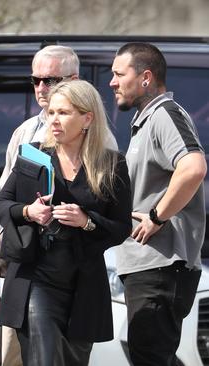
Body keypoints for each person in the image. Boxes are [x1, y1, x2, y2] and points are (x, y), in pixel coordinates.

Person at [0, 79, 132, 366]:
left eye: (63, 113)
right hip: (36, 276)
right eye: (52, 112)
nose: (54, 120)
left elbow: (121, 227)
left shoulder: (111, 164)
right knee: (45, 359)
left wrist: (86, 221)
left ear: (87, 118)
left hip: (84, 283)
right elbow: (1, 205)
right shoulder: (34, 156)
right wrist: (29, 212)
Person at [110, 42, 206, 365]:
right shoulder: (145, 121)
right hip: (148, 268)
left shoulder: (165, 114)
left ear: (146, 77)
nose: (112, 82)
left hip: (161, 268)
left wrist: (156, 216)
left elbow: (194, 167)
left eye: (118, 74)